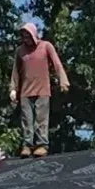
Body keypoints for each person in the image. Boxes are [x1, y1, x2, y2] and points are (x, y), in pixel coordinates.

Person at [9, 22, 70, 157]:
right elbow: (15, 72)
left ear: (33, 35)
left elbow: (57, 64)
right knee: (26, 120)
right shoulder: (20, 51)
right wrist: (13, 89)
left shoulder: (45, 46)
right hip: (25, 91)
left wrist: (63, 81)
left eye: (28, 36)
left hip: (42, 90)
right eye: (24, 37)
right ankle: (27, 145)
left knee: (41, 119)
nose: (26, 39)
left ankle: (42, 145)